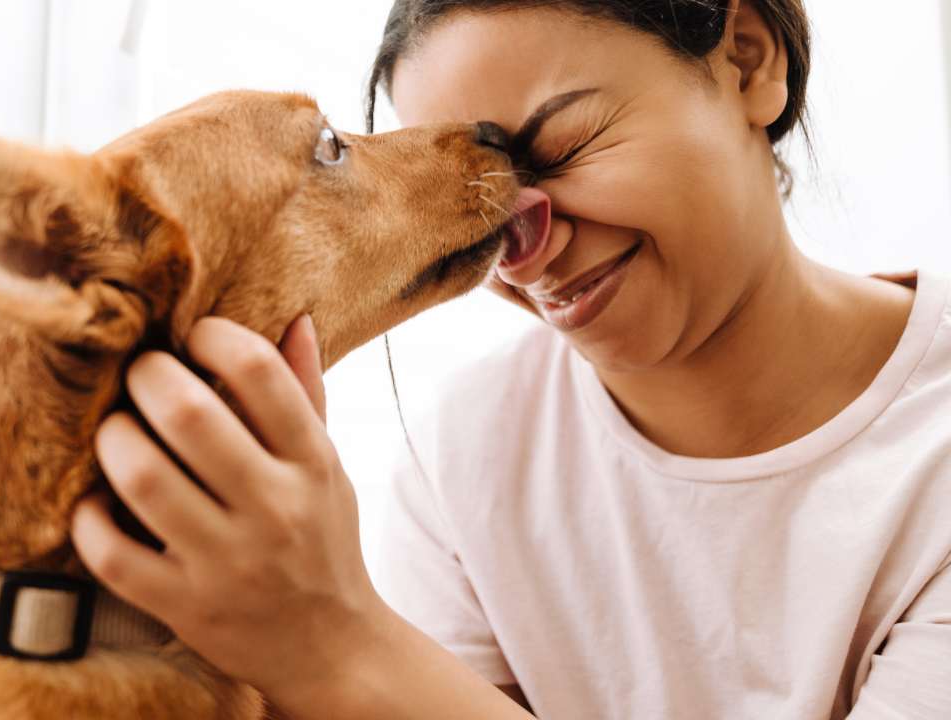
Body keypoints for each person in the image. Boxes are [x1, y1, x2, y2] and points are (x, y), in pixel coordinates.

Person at [70, 1, 951, 717]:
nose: (523, 254)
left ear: (750, 60)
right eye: (482, 210)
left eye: (564, 147)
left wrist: (335, 635)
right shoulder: (466, 454)